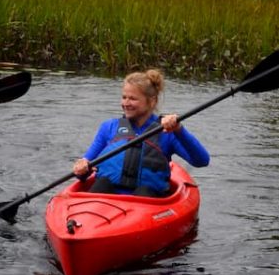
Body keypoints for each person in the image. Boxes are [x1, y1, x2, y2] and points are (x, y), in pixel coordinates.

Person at [71, 69, 209, 196]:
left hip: (145, 203)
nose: (126, 103)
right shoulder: (109, 127)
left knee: (145, 191)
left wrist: (179, 130)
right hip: (107, 201)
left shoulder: (167, 131)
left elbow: (201, 161)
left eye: (132, 98)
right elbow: (84, 168)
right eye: (124, 97)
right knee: (102, 183)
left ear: (152, 101)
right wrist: (81, 169)